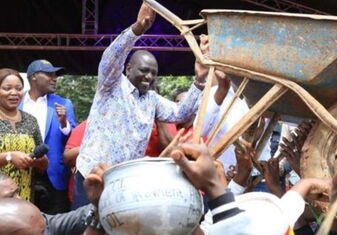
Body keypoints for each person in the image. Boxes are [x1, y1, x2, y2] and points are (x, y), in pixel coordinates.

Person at [74, 2, 207, 208]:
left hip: (123, 182)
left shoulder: (152, 100)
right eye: (144, 70)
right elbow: (111, 58)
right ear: (128, 69)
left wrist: (199, 82)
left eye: (153, 73)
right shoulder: (111, 85)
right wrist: (137, 29)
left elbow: (182, 112)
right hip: (92, 176)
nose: (149, 76)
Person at [20, 59, 77, 214]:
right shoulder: (15, 103)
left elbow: (74, 139)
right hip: (21, 173)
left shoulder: (64, 103)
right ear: (33, 76)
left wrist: (64, 122)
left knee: (56, 224)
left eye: (55, 75)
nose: (54, 78)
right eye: (49, 74)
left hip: (54, 176)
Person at [0, 171, 105, 235]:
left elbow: (78, 217)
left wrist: (102, 202)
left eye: (17, 193)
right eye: (10, 197)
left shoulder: (39, 220)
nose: (20, 199)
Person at [0, 68, 47, 201]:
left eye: (19, 88)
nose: (14, 93)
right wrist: (8, 157)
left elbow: (42, 165)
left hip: (24, 196)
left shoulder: (31, 121)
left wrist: (40, 162)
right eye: (7, 88)